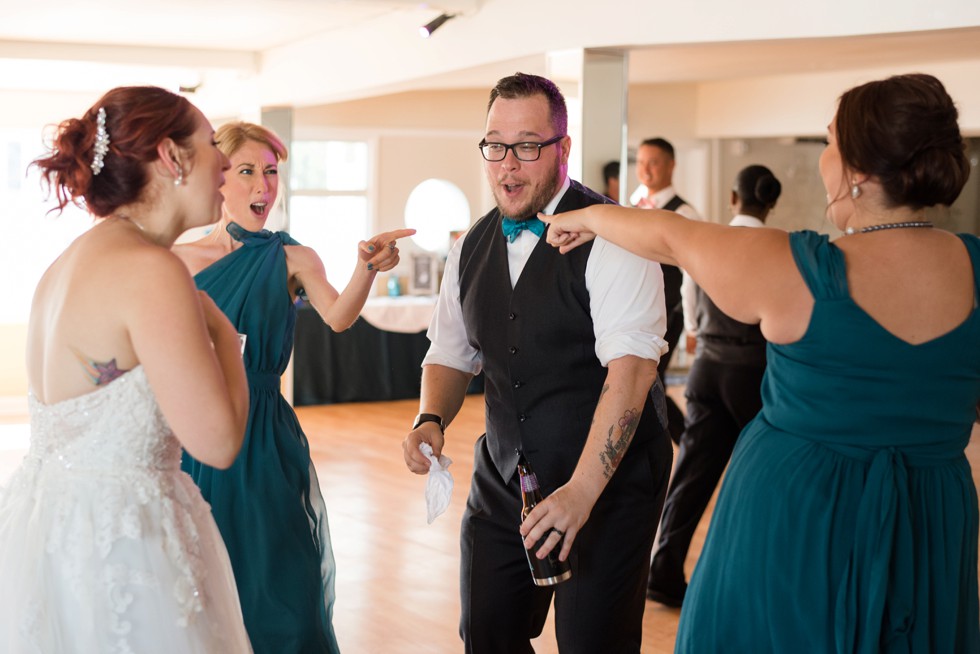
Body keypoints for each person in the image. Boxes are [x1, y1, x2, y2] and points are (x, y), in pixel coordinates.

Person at [543, 73, 979, 651]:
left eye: (828, 142)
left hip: (798, 513)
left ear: (859, 171)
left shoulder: (800, 267)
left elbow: (671, 238)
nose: (824, 158)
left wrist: (586, 217)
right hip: (928, 516)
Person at [401, 72, 673, 653]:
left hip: (610, 481)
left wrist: (580, 491)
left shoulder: (616, 237)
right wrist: (430, 419)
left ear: (563, 149)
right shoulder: (468, 246)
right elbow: (450, 353)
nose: (508, 164)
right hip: (506, 477)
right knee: (488, 634)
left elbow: (630, 377)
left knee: (591, 643)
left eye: (527, 145)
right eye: (495, 145)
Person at [0, 86, 253, 652]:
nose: (225, 162)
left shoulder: (64, 265)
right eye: (212, 143)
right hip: (123, 549)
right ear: (172, 156)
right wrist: (222, 335)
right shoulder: (151, 269)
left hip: (51, 532)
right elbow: (218, 443)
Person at [173, 121, 413, 653]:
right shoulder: (181, 262)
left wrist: (366, 270)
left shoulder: (292, 258)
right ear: (220, 178)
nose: (263, 186)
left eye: (272, 172)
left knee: (280, 582)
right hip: (198, 429)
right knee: (205, 580)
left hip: (263, 435)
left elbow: (339, 316)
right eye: (247, 172)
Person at [646, 164, 781, 608]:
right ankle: (750, 580)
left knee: (692, 474)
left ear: (732, 198)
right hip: (753, 372)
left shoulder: (709, 237)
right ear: (771, 203)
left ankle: (663, 569)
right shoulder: (778, 247)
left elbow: (688, 295)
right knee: (761, 477)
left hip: (706, 368)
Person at [634, 137, 702, 444]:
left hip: (669, 310)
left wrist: (692, 325)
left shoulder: (685, 213)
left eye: (654, 162)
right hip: (637, 310)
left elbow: (695, 274)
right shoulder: (633, 206)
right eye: (641, 162)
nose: (646, 170)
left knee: (652, 380)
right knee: (643, 380)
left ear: (671, 165)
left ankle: (689, 441)